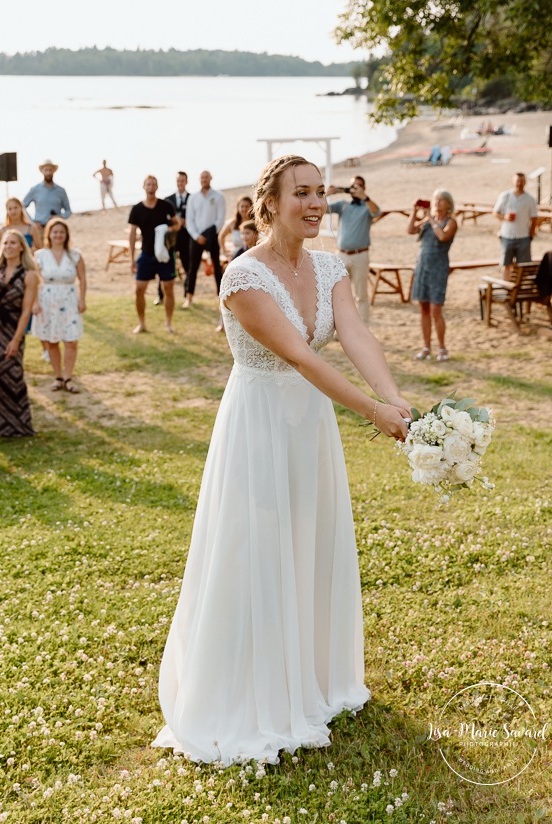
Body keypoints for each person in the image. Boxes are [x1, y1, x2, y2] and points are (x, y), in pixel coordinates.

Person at [152, 154, 411, 765]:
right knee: (256, 546)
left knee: (310, 541)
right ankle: (249, 692)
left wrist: (396, 398)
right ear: (270, 203)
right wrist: (372, 414)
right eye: (303, 193)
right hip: (259, 423)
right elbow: (302, 357)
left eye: (323, 192)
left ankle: (313, 680)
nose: (317, 203)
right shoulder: (243, 278)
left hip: (310, 425)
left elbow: (355, 337)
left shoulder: (329, 270)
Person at [0, 230, 39, 437]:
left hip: (13, 326)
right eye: (5, 243)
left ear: (21, 247)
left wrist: (17, 339)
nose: (9, 247)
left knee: (12, 372)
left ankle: (17, 423)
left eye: (13, 243)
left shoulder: (30, 275)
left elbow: (26, 311)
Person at [32, 218, 86, 393]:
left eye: (61, 232)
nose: (58, 235)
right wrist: (35, 302)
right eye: (55, 231)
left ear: (66, 235)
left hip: (69, 299)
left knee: (71, 341)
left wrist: (82, 299)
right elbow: (34, 281)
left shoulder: (75, 254)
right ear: (49, 234)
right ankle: (58, 377)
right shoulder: (40, 255)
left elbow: (83, 278)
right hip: (47, 300)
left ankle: (69, 377)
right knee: (52, 341)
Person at [407, 190, 458, 361]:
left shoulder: (451, 222)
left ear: (448, 204)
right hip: (422, 266)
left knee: (436, 309)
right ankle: (426, 346)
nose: (437, 202)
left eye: (441, 199)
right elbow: (410, 230)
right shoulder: (428, 221)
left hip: (439, 268)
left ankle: (442, 347)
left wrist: (430, 218)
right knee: (424, 308)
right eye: (436, 199)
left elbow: (443, 236)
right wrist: (414, 212)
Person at [128, 176, 180, 334]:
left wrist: (170, 229)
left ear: (157, 187)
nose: (151, 187)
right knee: (139, 290)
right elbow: (132, 233)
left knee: (168, 289)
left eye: (154, 184)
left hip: (165, 255)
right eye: (148, 184)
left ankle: (168, 323)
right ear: (144, 187)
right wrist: (131, 258)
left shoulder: (166, 205)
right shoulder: (137, 209)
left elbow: (177, 224)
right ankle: (142, 324)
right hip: (146, 254)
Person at [326, 176, 380, 322]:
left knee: (361, 294)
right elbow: (321, 209)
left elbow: (377, 212)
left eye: (358, 186)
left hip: (360, 255)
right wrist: (327, 194)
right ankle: (341, 328)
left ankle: (362, 329)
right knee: (338, 294)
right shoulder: (343, 205)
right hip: (341, 255)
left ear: (364, 188)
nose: (355, 188)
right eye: (352, 186)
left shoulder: (366, 207)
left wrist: (365, 197)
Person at [183, 170, 226, 307]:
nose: (204, 179)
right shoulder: (193, 198)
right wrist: (197, 236)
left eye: (206, 177)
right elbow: (189, 220)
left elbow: (220, 219)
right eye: (202, 177)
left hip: (212, 236)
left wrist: (210, 235)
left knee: (217, 268)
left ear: (211, 178)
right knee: (192, 268)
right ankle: (188, 297)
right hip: (196, 237)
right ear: (199, 179)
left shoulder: (219, 196)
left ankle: (221, 298)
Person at [493, 172, 539, 280]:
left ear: (525, 182)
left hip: (523, 236)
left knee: (523, 266)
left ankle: (520, 288)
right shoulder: (505, 196)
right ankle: (506, 287)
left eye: (522, 181)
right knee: (506, 264)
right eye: (517, 181)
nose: (519, 183)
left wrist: (531, 234)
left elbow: (534, 218)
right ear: (513, 182)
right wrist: (504, 217)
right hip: (507, 236)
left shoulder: (530, 199)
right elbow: (495, 212)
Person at [162, 171, 192, 297]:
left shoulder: (193, 198)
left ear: (186, 181)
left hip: (186, 237)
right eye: (178, 181)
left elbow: (197, 217)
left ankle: (187, 293)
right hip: (172, 238)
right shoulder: (168, 200)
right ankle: (161, 295)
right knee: (166, 265)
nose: (180, 183)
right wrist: (176, 222)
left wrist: (187, 221)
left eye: (182, 181)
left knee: (187, 267)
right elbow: (164, 219)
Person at [23, 160, 71, 229]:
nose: (48, 172)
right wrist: (32, 222)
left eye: (50, 170)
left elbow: (68, 211)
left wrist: (60, 217)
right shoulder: (35, 189)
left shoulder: (61, 191)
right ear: (42, 171)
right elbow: (22, 206)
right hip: (39, 228)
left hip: (55, 228)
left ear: (53, 171)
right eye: (46, 170)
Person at [219, 195, 253, 260]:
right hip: (236, 257)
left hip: (253, 256)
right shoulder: (232, 223)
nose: (244, 209)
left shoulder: (256, 222)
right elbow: (221, 236)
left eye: (247, 206)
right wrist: (224, 251)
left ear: (251, 207)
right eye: (242, 206)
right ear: (238, 208)